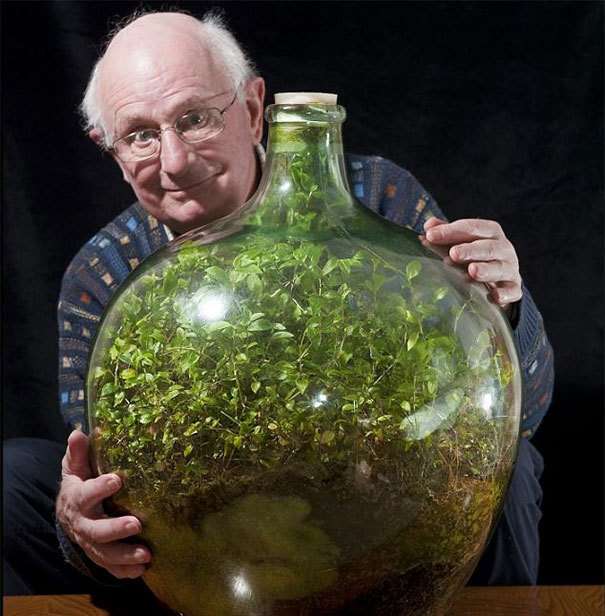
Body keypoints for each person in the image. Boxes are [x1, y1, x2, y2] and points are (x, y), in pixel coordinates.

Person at [3, 9, 554, 599]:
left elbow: (523, 413)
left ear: (252, 109)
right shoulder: (105, 272)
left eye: (195, 119)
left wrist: (503, 309)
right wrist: (79, 523)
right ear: (109, 149)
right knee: (15, 479)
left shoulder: (380, 201)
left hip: (372, 495)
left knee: (506, 465)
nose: (174, 160)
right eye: (140, 134)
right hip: (207, 533)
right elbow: (107, 471)